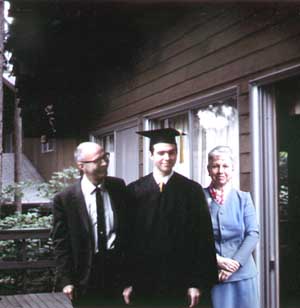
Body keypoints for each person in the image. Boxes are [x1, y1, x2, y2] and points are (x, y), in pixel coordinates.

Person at [123, 128, 218, 307]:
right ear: (151, 155)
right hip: (144, 281)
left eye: (171, 153)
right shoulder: (134, 190)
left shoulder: (191, 190)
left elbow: (203, 239)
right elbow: (126, 239)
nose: (167, 158)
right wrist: (127, 281)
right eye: (161, 153)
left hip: (181, 281)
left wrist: (196, 283)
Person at [52, 141, 129, 307]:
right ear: (81, 165)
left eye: (105, 157)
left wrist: (131, 278)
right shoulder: (64, 199)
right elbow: (61, 243)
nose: (105, 163)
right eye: (98, 160)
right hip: (85, 276)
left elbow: (129, 233)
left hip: (117, 273)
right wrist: (66, 280)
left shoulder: (118, 187)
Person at [204, 145, 260, 308]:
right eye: (215, 166)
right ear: (208, 170)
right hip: (213, 276)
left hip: (243, 276)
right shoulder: (198, 197)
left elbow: (253, 234)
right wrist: (216, 260)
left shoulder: (244, 198)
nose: (220, 170)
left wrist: (233, 264)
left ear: (233, 169)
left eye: (225, 166)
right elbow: (192, 236)